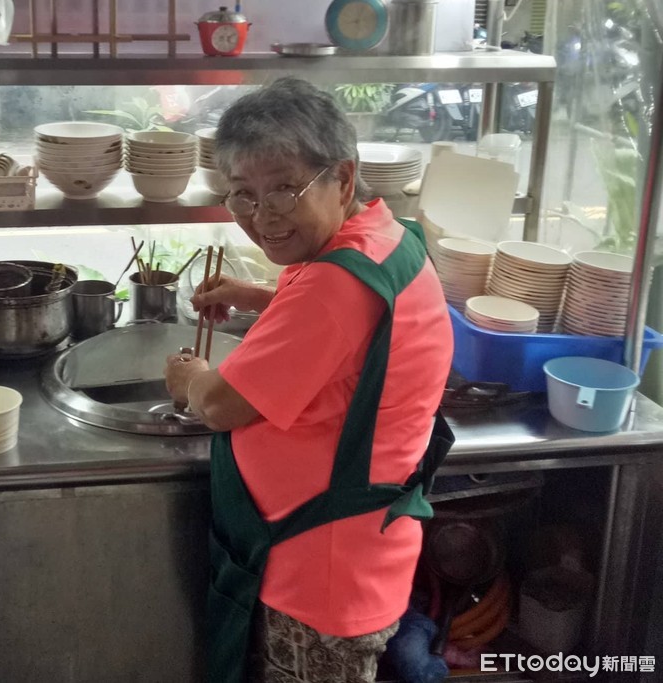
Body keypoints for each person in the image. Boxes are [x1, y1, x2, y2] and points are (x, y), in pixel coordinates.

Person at [163, 78, 454, 683]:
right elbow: (354, 329)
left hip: (317, 576)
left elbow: (219, 406)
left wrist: (191, 377)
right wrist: (260, 297)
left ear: (343, 179)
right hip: (356, 556)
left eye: (283, 190)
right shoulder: (384, 238)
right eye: (242, 196)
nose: (262, 217)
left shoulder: (331, 287)